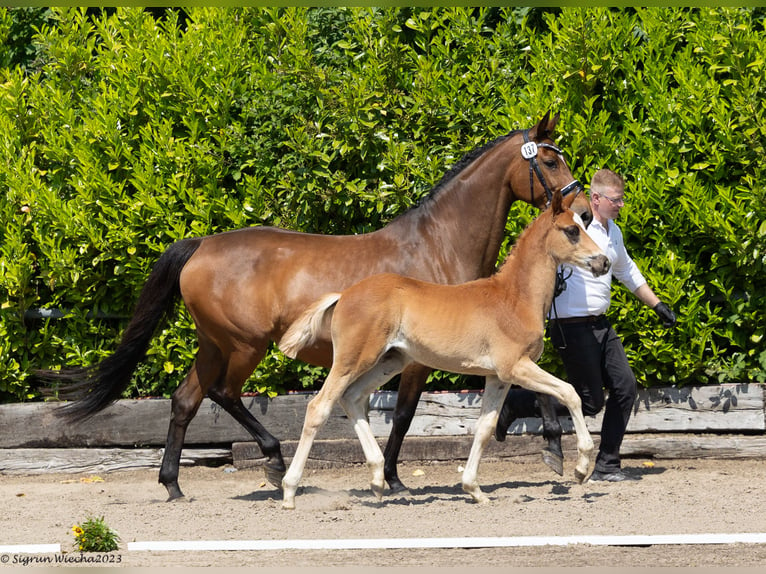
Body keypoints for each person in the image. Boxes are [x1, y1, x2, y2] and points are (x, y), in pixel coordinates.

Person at [495, 168, 676, 482]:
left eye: (621, 200)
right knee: (591, 402)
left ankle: (607, 464)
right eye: (615, 200)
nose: (620, 205)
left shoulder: (612, 232)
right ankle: (517, 403)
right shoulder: (573, 225)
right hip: (571, 325)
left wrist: (656, 304)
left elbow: (628, 272)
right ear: (596, 198)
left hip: (601, 325)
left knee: (625, 388)